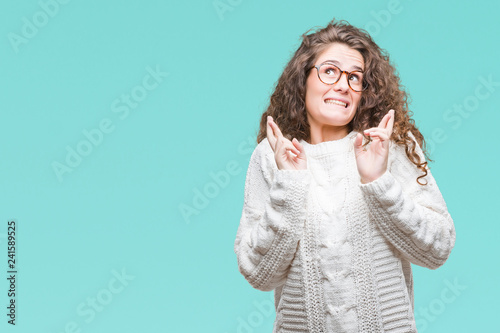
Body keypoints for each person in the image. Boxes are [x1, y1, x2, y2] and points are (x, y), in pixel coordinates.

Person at [233, 19, 456, 332]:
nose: (342, 85)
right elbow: (259, 273)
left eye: (355, 78)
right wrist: (290, 185)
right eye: (329, 71)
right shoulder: (272, 156)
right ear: (303, 79)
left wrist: (379, 182)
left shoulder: (387, 145)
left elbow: (437, 249)